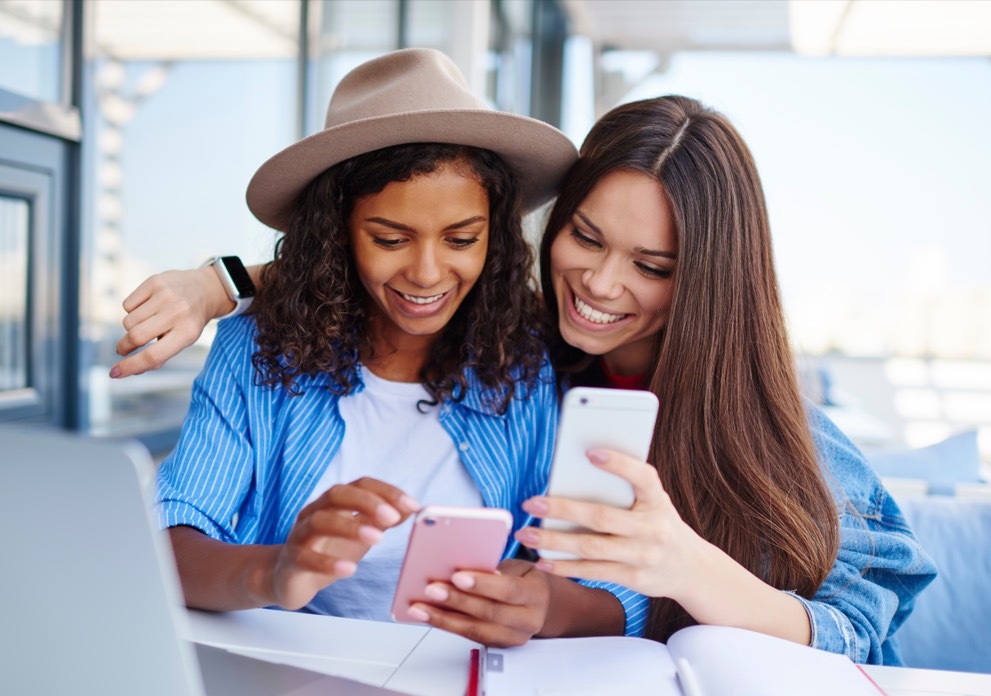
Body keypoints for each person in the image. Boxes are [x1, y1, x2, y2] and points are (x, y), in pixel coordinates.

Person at [118, 91, 936, 664]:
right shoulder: (537, 337)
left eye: (652, 265)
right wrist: (219, 282)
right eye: (585, 235)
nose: (601, 284)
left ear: (705, 280)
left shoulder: (709, 402)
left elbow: (866, 613)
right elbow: (385, 269)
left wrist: (676, 565)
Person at [153, 48, 602, 625]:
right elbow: (173, 541)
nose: (427, 273)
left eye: (462, 240)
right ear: (337, 234)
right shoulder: (255, 352)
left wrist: (546, 608)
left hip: (470, 680)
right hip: (296, 675)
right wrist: (276, 570)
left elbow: (595, 577)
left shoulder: (527, 359)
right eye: (391, 240)